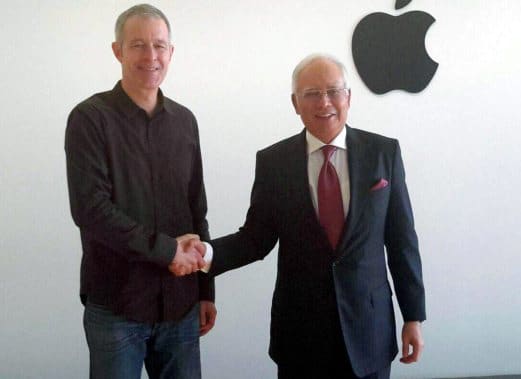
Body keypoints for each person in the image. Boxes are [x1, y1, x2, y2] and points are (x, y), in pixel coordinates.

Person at [176, 53, 426, 379]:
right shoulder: (274, 162)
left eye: (333, 91)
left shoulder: (384, 153)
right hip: (300, 334)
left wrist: (413, 317)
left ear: (348, 97)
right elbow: (255, 239)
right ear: (295, 103)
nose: (325, 102)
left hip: (369, 329)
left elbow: (401, 240)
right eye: (311, 94)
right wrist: (205, 254)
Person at [64, 4, 216, 379]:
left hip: (180, 305)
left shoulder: (185, 121)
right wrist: (166, 251)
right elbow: (91, 210)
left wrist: (206, 289)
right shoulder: (89, 119)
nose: (151, 56)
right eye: (138, 45)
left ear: (171, 52)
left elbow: (197, 208)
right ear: (117, 50)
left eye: (160, 46)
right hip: (118, 307)